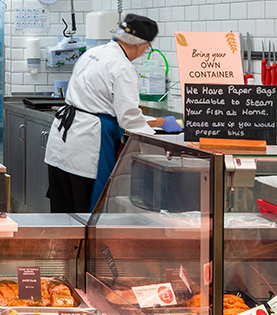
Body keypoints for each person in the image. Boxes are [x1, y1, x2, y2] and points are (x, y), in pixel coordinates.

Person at [44, 13, 182, 213]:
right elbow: (129, 119)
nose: (144, 52)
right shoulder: (123, 68)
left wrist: (160, 121)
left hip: (62, 142)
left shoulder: (94, 53)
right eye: (147, 46)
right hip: (87, 147)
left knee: (62, 215)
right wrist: (162, 142)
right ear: (138, 43)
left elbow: (110, 108)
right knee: (85, 217)